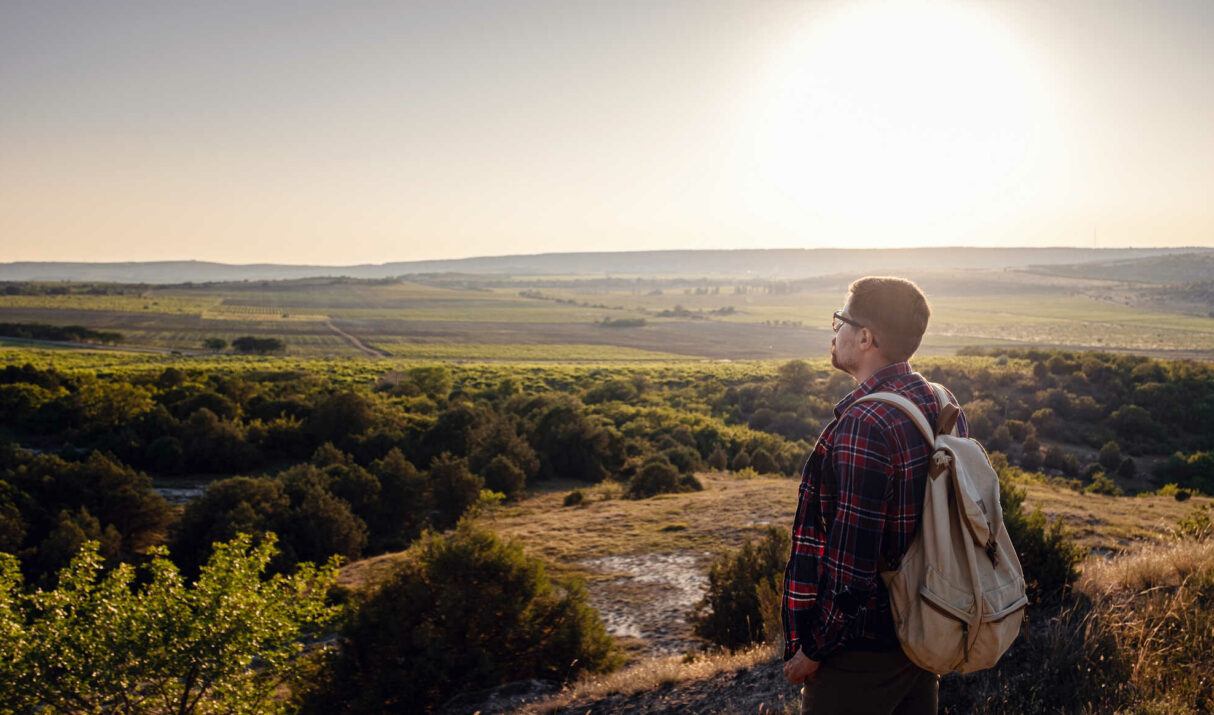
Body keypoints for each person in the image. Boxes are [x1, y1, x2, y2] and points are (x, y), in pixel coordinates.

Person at [781, 276, 967, 715]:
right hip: (922, 632)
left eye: (840, 320)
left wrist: (815, 649)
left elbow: (852, 568)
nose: (834, 331)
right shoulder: (939, 400)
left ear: (866, 338)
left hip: (861, 653)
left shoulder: (866, 424)